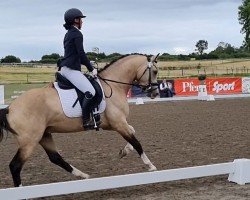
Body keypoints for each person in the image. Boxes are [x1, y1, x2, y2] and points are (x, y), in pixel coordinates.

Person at [58, 8, 100, 129]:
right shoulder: (77, 33)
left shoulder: (68, 33)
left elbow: (77, 55)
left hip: (66, 68)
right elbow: (81, 54)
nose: (82, 22)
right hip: (71, 70)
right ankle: (86, 120)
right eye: (80, 19)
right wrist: (91, 69)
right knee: (90, 92)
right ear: (75, 20)